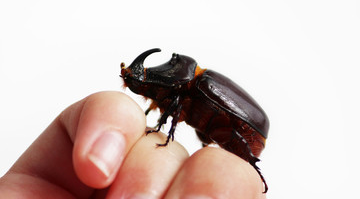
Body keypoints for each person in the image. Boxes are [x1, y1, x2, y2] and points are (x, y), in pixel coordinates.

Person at [0, 91, 266, 198]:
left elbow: (174, 107)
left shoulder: (192, 90)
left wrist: (162, 129)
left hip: (243, 130)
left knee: (225, 144)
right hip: (224, 130)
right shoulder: (178, 97)